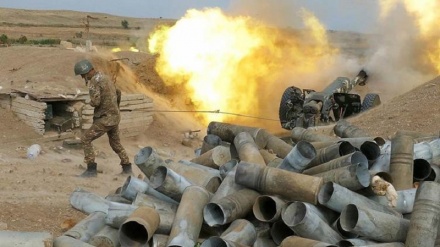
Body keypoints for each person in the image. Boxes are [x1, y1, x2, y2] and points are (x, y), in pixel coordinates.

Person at [74, 59, 132, 177]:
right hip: (114, 117)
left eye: (82, 75)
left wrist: (86, 103)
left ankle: (91, 170)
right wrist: (115, 108)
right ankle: (127, 168)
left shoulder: (94, 82)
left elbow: (96, 102)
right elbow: (118, 92)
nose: (83, 78)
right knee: (115, 143)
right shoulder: (105, 77)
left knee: (85, 139)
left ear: (86, 72)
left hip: (105, 119)